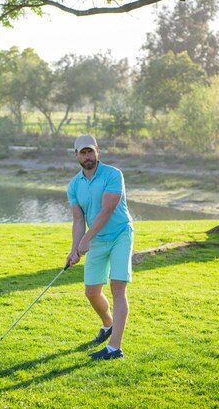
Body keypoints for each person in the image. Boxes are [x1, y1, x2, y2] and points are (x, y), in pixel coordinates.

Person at [66, 134, 134, 360]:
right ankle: (108, 325)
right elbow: (78, 219)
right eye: (83, 152)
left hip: (119, 235)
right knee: (91, 292)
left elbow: (107, 211)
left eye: (90, 151)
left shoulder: (113, 175)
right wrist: (75, 248)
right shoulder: (74, 185)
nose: (87, 156)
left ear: (97, 152)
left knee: (118, 289)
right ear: (76, 155)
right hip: (96, 240)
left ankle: (115, 348)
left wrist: (86, 240)